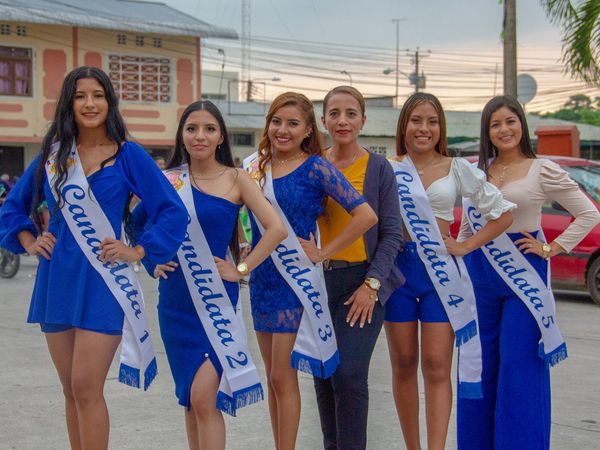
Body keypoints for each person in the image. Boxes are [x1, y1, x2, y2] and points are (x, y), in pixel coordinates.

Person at [0, 66, 187, 450]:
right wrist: (30, 240)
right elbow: (12, 206)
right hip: (57, 279)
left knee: (86, 385)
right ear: (69, 103)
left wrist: (138, 250)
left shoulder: (128, 155)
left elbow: (171, 210)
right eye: (80, 96)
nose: (89, 103)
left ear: (109, 101)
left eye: (98, 95)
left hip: (104, 280)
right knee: (70, 389)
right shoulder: (54, 156)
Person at [131, 100, 286, 450]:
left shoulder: (237, 178)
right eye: (192, 129)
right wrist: (152, 260)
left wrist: (242, 268)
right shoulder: (167, 181)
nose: (200, 136)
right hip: (175, 305)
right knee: (191, 400)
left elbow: (276, 229)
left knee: (205, 399)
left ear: (221, 137)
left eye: (209, 129)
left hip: (214, 303)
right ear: (182, 136)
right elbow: (136, 224)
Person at [456, 95, 600, 450]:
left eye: (510, 121)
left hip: (522, 274)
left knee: (517, 366)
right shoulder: (477, 172)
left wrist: (552, 248)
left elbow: (588, 214)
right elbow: (468, 228)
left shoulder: (542, 169)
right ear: (487, 131)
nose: (504, 129)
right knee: (478, 365)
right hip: (479, 273)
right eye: (495, 124)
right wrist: (458, 262)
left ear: (522, 124)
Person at [246, 91, 377, 450]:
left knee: (282, 374)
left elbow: (365, 215)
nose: (282, 130)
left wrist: (323, 252)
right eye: (276, 121)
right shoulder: (255, 167)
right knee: (272, 379)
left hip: (295, 282)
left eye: (292, 123)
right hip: (262, 279)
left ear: (307, 130)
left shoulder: (316, 167)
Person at [385, 92, 515, 450]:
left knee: (437, 363)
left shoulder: (457, 168)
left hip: (440, 274)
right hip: (397, 272)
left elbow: (503, 214)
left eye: (432, 121)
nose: (423, 128)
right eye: (416, 120)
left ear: (440, 127)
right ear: (404, 125)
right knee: (404, 362)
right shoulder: (387, 168)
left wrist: (465, 245)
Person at [309, 85, 404, 449]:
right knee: (323, 375)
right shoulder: (313, 165)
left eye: (351, 113)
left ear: (363, 120)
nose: (342, 121)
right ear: (323, 120)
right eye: (334, 113)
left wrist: (372, 284)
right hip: (318, 283)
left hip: (361, 283)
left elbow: (392, 233)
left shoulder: (378, 168)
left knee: (348, 374)